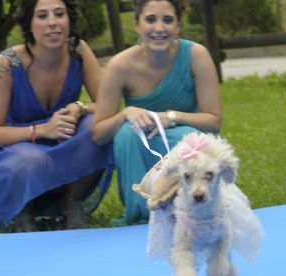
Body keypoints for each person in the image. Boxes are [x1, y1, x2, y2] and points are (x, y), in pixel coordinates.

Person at [0, 0, 114, 232]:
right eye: (42, 16)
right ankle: (23, 211)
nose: (52, 23)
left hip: (61, 137)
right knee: (33, 160)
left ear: (69, 19)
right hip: (12, 145)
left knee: (99, 129)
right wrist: (42, 130)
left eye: (59, 14)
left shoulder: (78, 51)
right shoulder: (8, 63)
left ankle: (71, 204)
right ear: (29, 23)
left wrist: (80, 107)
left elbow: (107, 106)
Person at [92, 0, 221, 225]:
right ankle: (141, 212)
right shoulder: (119, 66)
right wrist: (126, 113)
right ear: (137, 24)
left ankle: (192, 204)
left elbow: (214, 121)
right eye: (151, 19)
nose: (159, 28)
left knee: (188, 139)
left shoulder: (196, 55)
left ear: (178, 26)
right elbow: (99, 133)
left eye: (168, 20)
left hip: (184, 136)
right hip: (141, 139)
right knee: (125, 134)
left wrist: (171, 117)